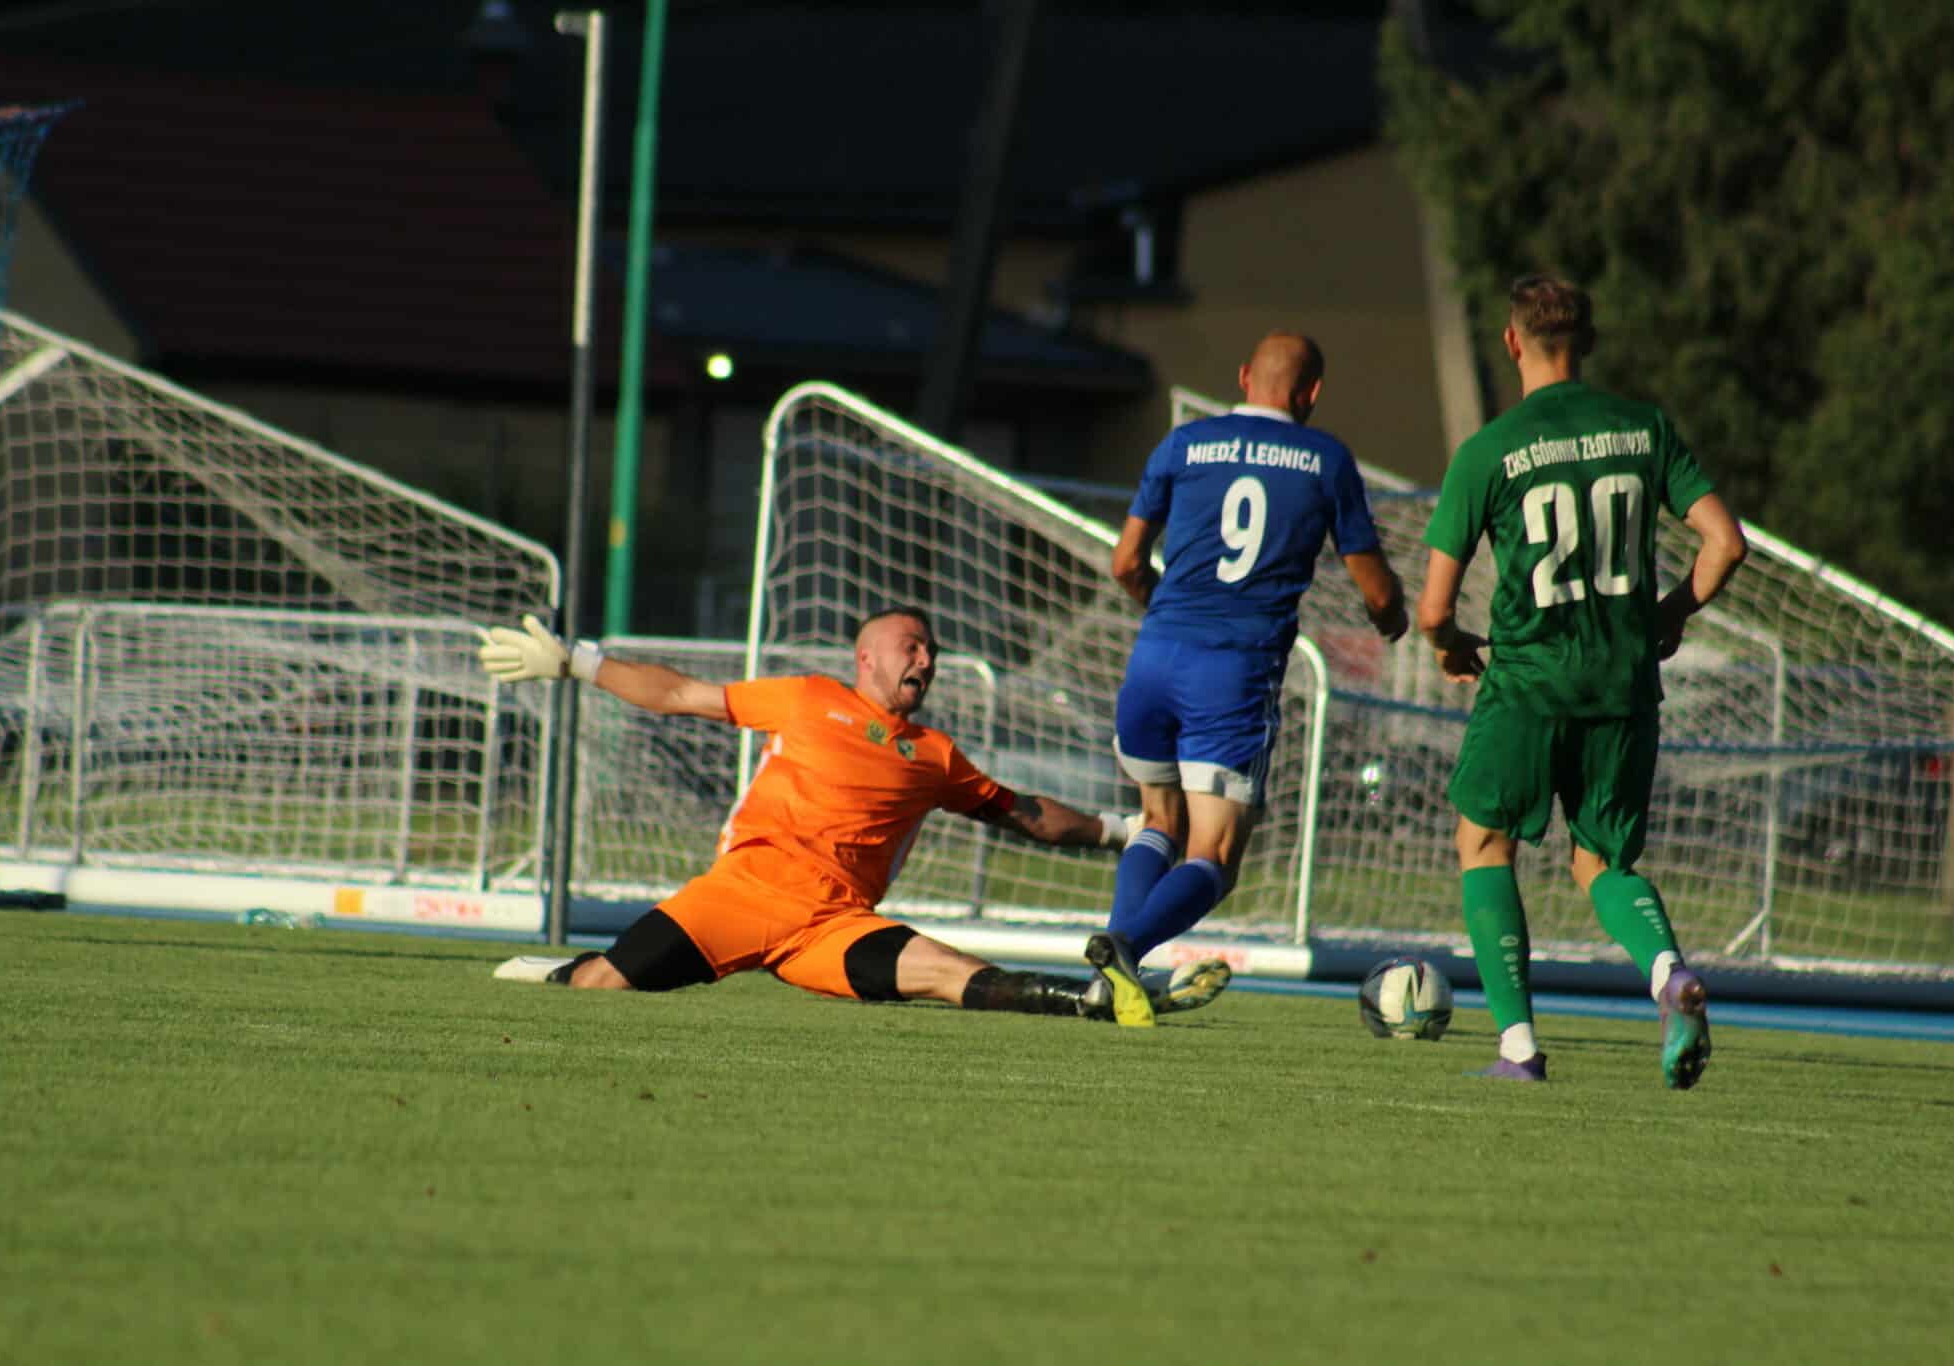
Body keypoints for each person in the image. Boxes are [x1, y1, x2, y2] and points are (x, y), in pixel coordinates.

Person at [477, 606, 1234, 1027]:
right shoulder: (810, 698)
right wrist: (576, 661)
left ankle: (1099, 1000)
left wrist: (1125, 830)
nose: (928, 659)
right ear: (866, 657)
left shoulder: (935, 754)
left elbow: (1025, 813)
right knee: (604, 987)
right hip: (741, 893)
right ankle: (558, 972)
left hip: (833, 924)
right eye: (915, 645)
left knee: (952, 974)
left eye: (934, 651)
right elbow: (680, 695)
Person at [1416, 273, 1748, 1087]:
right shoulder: (1644, 428)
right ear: (1587, 342)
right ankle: (1669, 977)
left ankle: (1520, 1050)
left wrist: (1452, 646)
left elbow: (1431, 610)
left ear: (1510, 341)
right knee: (1604, 862)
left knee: (1484, 842)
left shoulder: (1488, 450)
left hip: (1529, 679)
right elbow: (1727, 544)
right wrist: (1668, 616)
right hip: (1625, 683)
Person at [1102, 331, 1408, 984]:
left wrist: (1162, 608)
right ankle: (1124, 949)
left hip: (1153, 657)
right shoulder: (1325, 459)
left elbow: (1125, 562)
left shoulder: (1182, 443)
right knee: (1213, 854)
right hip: (1233, 671)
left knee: (1157, 820)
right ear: (1313, 393)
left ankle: (1112, 966)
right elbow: (1377, 590)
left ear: (1243, 377)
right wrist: (1398, 621)